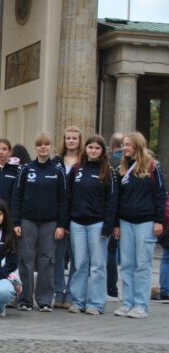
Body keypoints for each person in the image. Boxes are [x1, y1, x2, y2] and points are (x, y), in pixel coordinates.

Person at [12, 132, 68, 312]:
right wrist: (16, 222)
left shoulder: (58, 170)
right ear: (35, 148)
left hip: (50, 222)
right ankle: (25, 299)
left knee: (47, 259)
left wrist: (61, 225)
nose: (43, 147)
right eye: (39, 145)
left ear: (51, 147)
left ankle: (44, 299)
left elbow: (63, 200)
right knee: (25, 259)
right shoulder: (26, 169)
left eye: (46, 144)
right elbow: (17, 197)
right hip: (27, 221)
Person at [113, 132, 166, 318]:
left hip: (146, 221)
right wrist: (116, 223)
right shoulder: (122, 168)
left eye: (127, 144)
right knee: (127, 264)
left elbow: (160, 194)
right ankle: (127, 302)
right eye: (123, 144)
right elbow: (118, 197)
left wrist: (159, 220)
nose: (124, 147)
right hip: (126, 221)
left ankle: (141, 304)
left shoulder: (152, 166)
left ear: (137, 145)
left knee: (142, 264)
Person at [67, 135, 117, 315]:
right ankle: (78, 301)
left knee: (98, 265)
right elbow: (68, 196)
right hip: (77, 223)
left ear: (102, 151)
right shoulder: (76, 169)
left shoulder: (107, 171)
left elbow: (112, 201)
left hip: (98, 224)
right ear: (85, 149)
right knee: (79, 264)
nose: (93, 151)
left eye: (97, 148)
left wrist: (108, 226)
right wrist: (66, 222)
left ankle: (96, 303)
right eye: (90, 147)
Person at [52, 125, 82, 309]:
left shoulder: (85, 162)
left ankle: (71, 292)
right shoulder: (56, 161)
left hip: (79, 214)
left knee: (76, 257)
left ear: (80, 141)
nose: (71, 141)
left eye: (74, 138)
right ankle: (58, 290)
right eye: (68, 137)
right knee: (57, 255)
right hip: (59, 215)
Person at [107, 132, 124, 300]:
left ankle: (108, 287)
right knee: (112, 252)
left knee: (107, 252)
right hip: (121, 212)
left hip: (108, 212)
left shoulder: (109, 162)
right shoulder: (126, 162)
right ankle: (112, 289)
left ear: (112, 147)